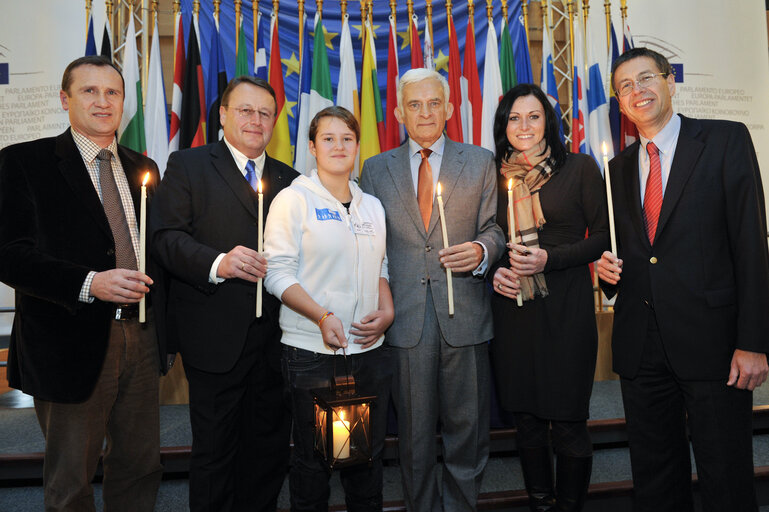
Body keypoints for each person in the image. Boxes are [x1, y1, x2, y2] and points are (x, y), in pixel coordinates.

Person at [596, 47, 769, 512]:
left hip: (714, 345)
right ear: (620, 102)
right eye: (625, 87)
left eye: (646, 78)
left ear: (670, 82)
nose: (638, 91)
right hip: (642, 348)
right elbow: (632, 256)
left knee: (726, 477)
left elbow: (751, 245)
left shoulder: (725, 141)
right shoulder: (615, 171)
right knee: (655, 482)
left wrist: (754, 342)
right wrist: (606, 274)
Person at [0, 55, 163, 511]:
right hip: (67, 340)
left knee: (140, 466)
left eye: (112, 92)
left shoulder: (142, 168)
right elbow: (9, 256)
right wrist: (90, 282)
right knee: (71, 479)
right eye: (89, 91)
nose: (102, 101)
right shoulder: (23, 162)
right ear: (64, 98)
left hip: (142, 336)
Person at [360, 68, 506, 511]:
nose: (425, 112)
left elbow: (495, 229)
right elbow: (366, 240)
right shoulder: (375, 169)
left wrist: (481, 251)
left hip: (464, 313)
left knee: (468, 433)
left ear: (449, 107)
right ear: (399, 111)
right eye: (415, 104)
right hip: (403, 321)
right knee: (414, 440)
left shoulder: (480, 161)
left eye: (434, 103)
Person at [150, 76, 297, 512]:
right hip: (214, 338)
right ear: (223, 115)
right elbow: (165, 237)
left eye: (265, 113)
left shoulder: (291, 179)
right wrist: (219, 263)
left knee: (268, 452)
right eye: (245, 110)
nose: (255, 120)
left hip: (277, 341)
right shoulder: (188, 165)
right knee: (215, 453)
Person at [263, 106, 393, 510]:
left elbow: (381, 266)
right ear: (312, 147)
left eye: (347, 139)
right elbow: (276, 273)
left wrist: (387, 310)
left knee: (366, 461)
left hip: (368, 353)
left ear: (358, 145)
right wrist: (321, 316)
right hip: (310, 355)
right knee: (313, 463)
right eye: (328, 139)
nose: (339, 146)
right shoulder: (292, 200)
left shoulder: (372, 205)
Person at [488, 84, 608, 511]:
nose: (524, 126)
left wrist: (548, 259)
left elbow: (603, 240)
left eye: (533, 116)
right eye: (515, 118)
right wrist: (496, 269)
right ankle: (541, 504)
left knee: (569, 420)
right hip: (513, 313)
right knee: (527, 421)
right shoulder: (494, 173)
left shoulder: (579, 169)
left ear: (548, 121)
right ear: (504, 125)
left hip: (567, 308)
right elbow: (487, 240)